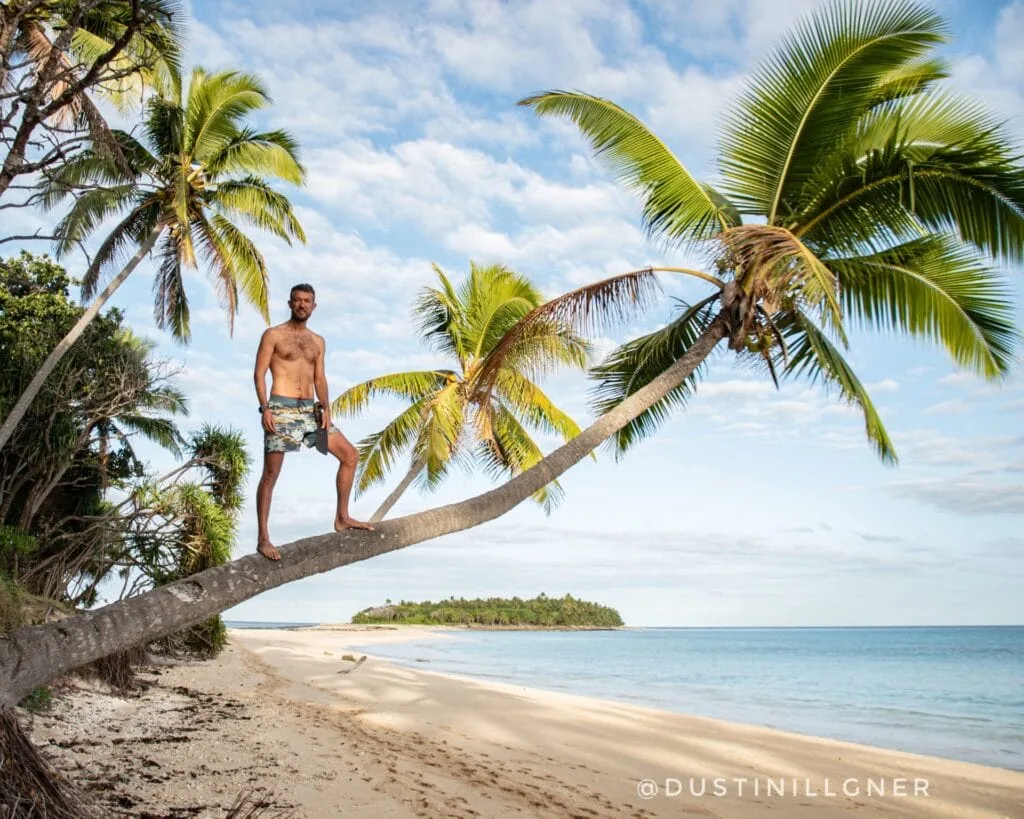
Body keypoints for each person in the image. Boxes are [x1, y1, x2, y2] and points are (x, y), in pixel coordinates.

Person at [253, 283, 372, 561]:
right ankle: (263, 537)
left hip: (310, 411)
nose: (302, 305)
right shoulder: (273, 335)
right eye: (297, 300)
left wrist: (326, 408)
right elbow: (259, 374)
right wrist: (265, 409)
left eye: (307, 301)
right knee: (271, 475)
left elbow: (320, 378)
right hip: (281, 409)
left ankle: (342, 517)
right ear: (290, 303)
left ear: (314, 306)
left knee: (350, 456)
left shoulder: (318, 341)